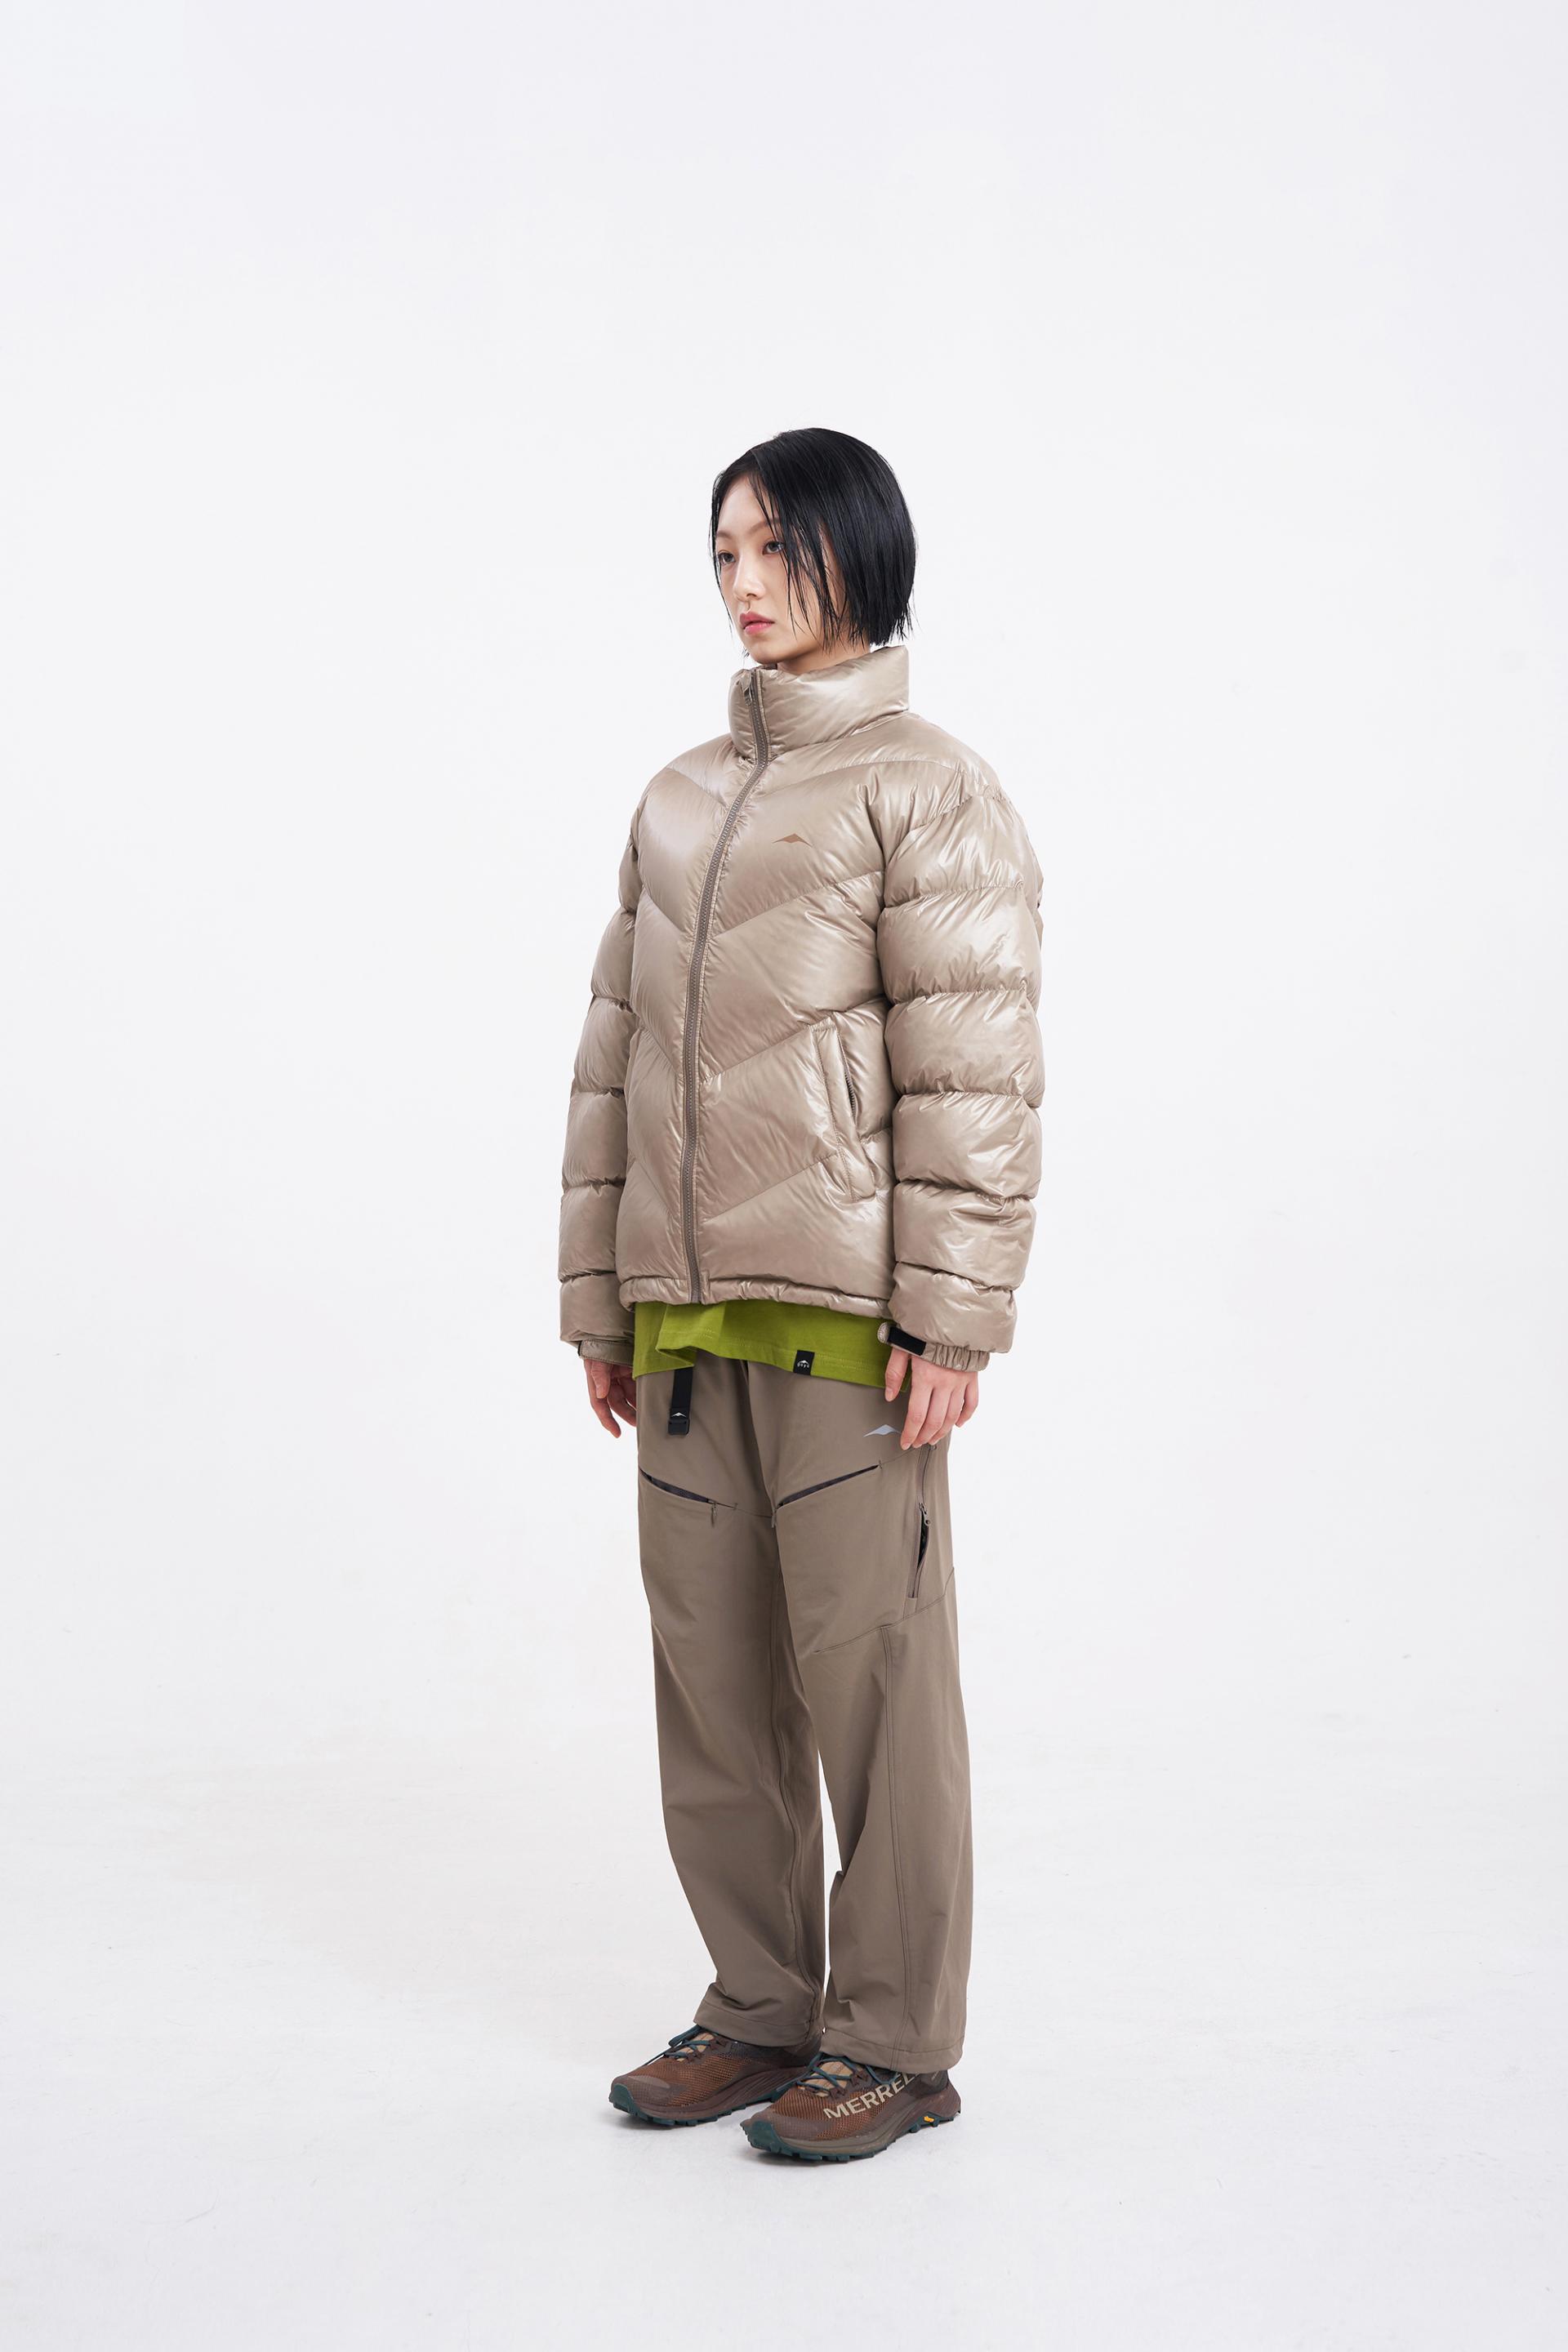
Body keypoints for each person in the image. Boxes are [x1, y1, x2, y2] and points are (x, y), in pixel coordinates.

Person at [558, 425, 1045, 2163]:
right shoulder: (677, 798)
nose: (746, 584)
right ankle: (760, 2010)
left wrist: (953, 1313)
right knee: (714, 1693)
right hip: (686, 1331)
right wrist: (602, 1300)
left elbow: (974, 1069)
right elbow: (613, 1055)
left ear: (860, 553)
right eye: (725, 555)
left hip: (850, 1332)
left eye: (777, 549)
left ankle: (896, 2047)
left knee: (878, 1698)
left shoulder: (930, 788)